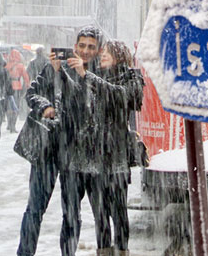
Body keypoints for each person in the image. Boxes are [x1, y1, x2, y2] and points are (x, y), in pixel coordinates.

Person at [17, 26, 103, 256]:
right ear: (74, 47)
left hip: (76, 151)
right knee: (35, 208)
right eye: (82, 45)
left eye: (91, 47)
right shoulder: (57, 66)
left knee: (72, 212)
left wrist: (82, 76)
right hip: (48, 147)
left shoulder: (97, 75)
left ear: (98, 50)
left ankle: (68, 253)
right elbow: (32, 93)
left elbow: (94, 107)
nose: (85, 51)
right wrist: (45, 106)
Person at [82, 40, 145, 256]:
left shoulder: (131, 77)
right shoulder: (90, 76)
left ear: (118, 54)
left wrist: (91, 79)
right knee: (99, 215)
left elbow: (125, 97)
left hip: (116, 156)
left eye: (106, 52)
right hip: (94, 155)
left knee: (119, 213)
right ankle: (104, 251)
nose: (102, 55)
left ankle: (121, 251)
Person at [5, 49, 30, 133]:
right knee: (15, 107)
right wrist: (27, 85)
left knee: (9, 107)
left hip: (7, 87)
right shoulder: (20, 66)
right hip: (17, 87)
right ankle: (13, 126)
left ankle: (9, 124)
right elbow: (26, 77)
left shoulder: (6, 65)